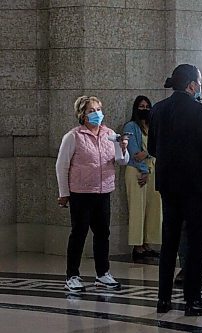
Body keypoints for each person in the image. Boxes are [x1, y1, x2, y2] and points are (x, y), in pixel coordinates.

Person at [149, 64, 202, 316]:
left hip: (168, 186)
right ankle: (193, 300)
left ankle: (163, 300)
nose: (200, 87)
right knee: (195, 245)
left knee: (169, 243)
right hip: (195, 187)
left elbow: (152, 148)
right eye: (200, 82)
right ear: (191, 85)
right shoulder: (199, 110)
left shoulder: (158, 109)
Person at [56, 95, 130, 292]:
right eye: (91, 110)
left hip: (103, 190)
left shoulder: (109, 134)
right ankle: (72, 275)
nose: (97, 113)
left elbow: (121, 161)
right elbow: (61, 165)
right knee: (79, 234)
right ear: (82, 114)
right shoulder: (73, 136)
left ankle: (102, 273)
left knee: (102, 233)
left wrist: (122, 147)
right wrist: (64, 193)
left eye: (98, 109)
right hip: (81, 192)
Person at [174, 108, 202, 285]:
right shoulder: (174, 114)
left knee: (200, 225)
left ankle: (197, 268)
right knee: (183, 225)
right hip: (181, 176)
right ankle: (186, 268)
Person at [124, 96, 162, 261]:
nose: (144, 109)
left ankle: (148, 243)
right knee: (137, 209)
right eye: (141, 106)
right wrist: (144, 169)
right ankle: (137, 247)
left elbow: (156, 148)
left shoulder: (153, 126)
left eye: (147, 106)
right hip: (137, 172)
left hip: (153, 171)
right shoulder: (130, 126)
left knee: (153, 209)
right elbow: (134, 153)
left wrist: (147, 155)